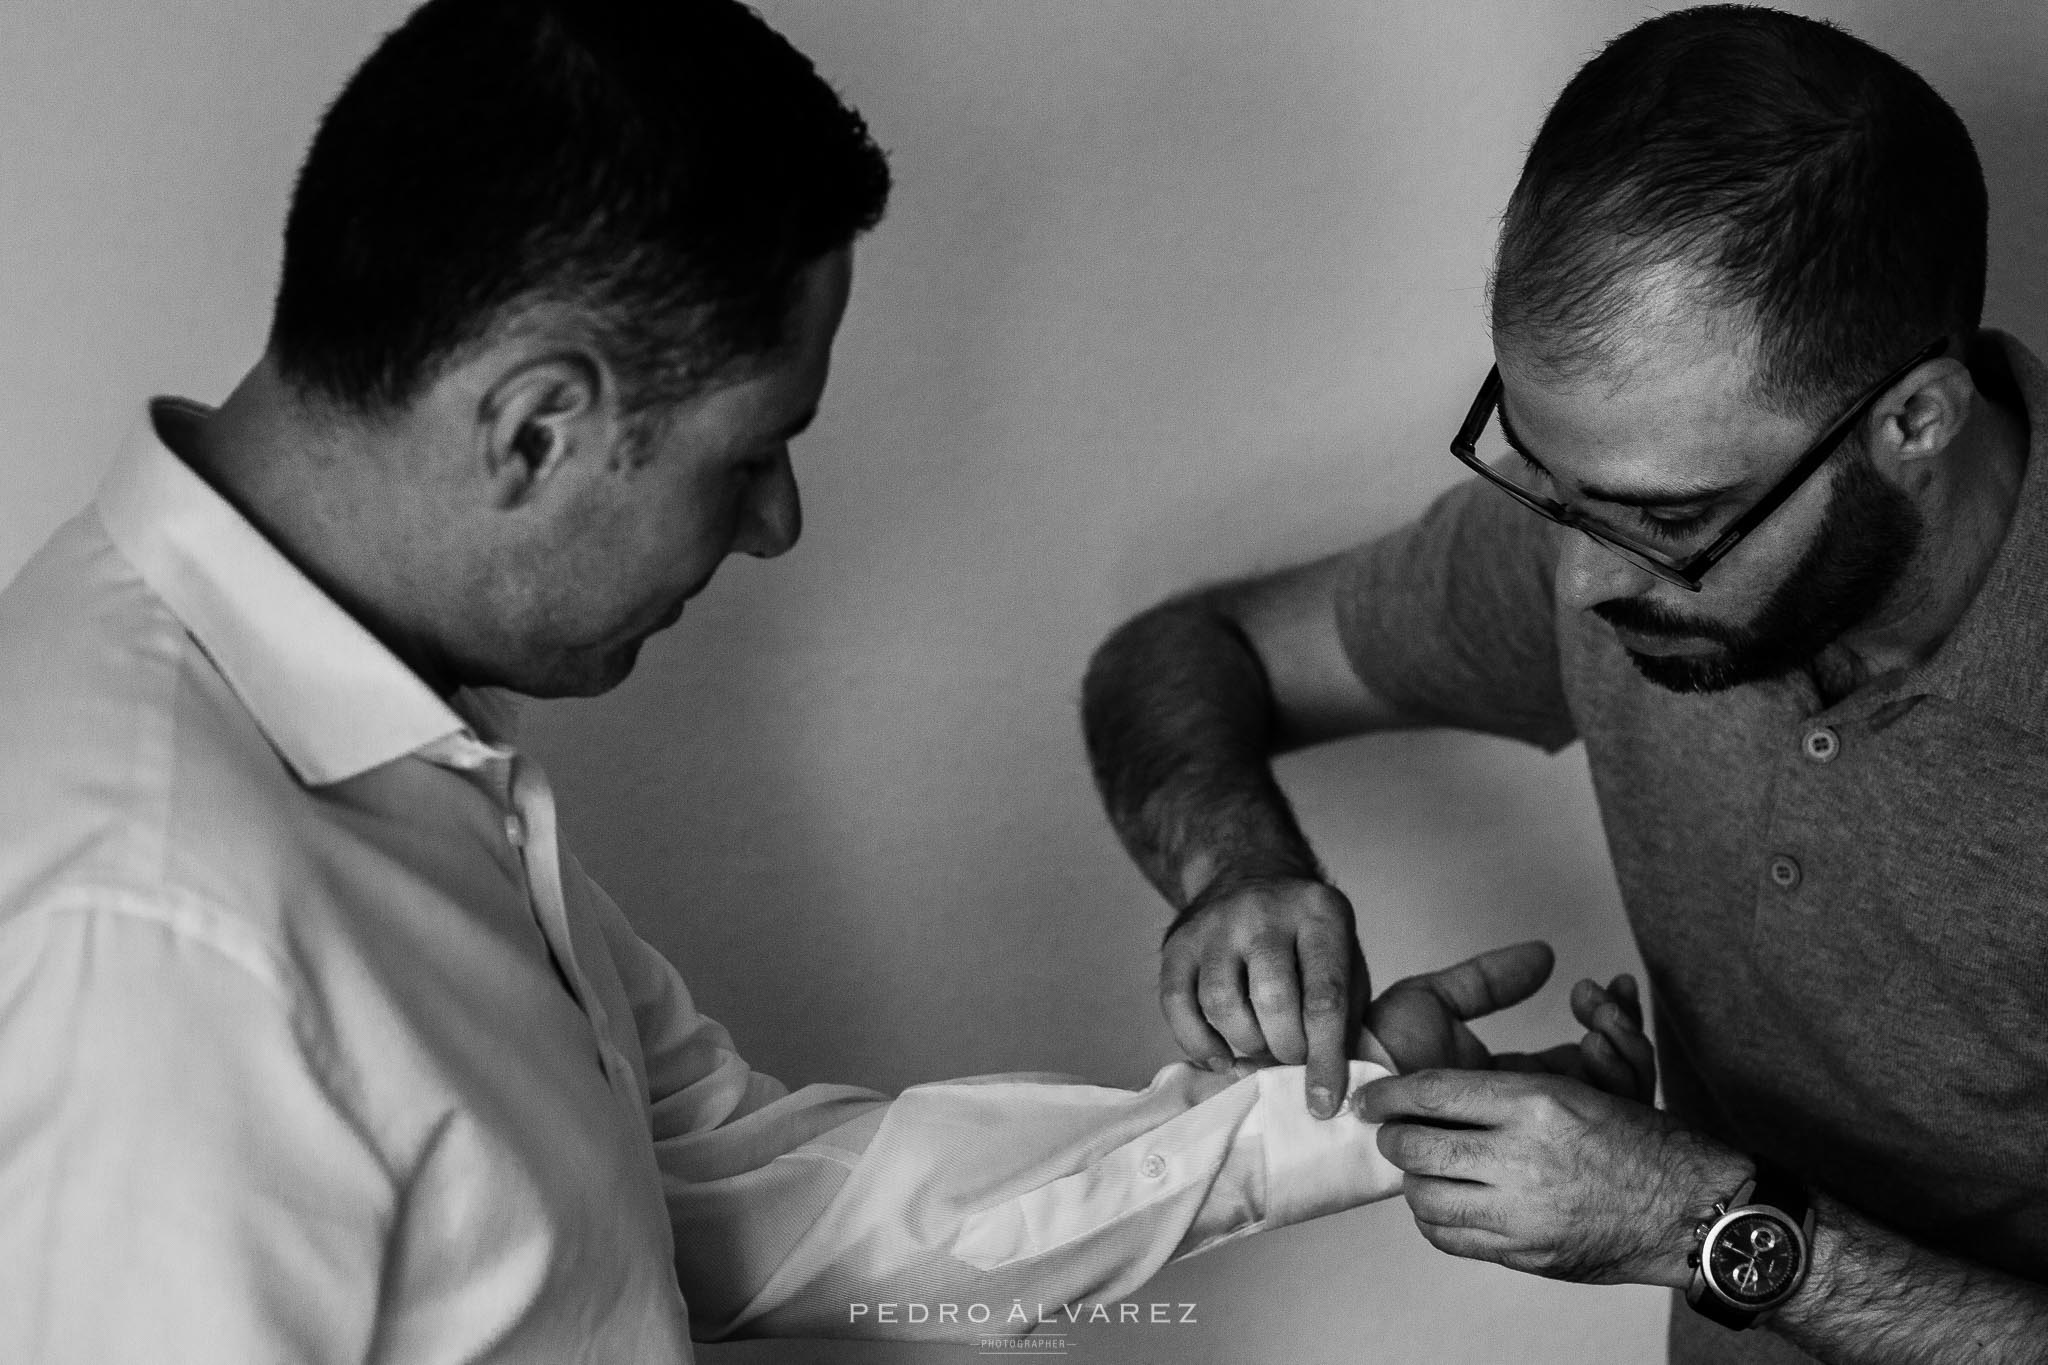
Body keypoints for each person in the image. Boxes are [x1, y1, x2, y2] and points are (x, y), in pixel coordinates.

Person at [0, 2, 1657, 1360]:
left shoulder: (380, 750)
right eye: (753, 454)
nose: (781, 525)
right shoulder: (156, 931)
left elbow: (741, 1197)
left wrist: (1348, 1120)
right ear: (534, 425)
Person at [1081, 6, 2048, 1362]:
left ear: (1914, 422)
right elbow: (1184, 656)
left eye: (1667, 520)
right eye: (1549, 483)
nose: (1586, 589)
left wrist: (1700, 1221)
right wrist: (1236, 864)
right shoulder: (1604, 539)